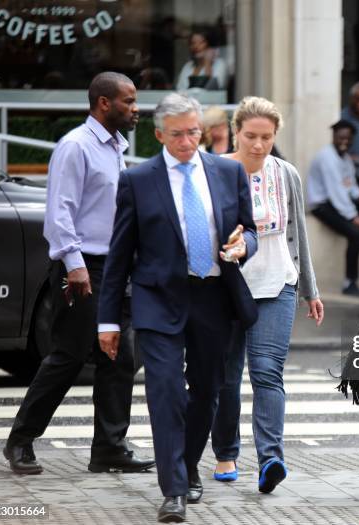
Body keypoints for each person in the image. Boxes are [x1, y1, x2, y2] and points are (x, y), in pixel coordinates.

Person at [97, 92, 257, 523]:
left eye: (193, 132)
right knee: (164, 391)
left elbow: (249, 231)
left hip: (212, 297)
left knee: (206, 390)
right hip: (157, 299)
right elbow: (118, 256)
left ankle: (187, 465)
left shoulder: (229, 171)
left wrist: (243, 247)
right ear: (158, 135)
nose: (187, 141)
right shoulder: (138, 180)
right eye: (177, 135)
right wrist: (108, 320)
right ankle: (174, 489)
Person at [3, 72, 155, 476]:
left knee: (121, 358)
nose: (135, 108)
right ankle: (20, 439)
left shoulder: (116, 148)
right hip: (85, 268)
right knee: (68, 358)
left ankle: (109, 448)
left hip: (116, 267)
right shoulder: (75, 147)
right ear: (104, 103)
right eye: (128, 101)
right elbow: (59, 214)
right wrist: (75, 267)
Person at [211, 96, 324, 494]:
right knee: (225, 378)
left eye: (267, 137)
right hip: (226, 289)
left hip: (278, 284)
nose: (258, 145)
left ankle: (270, 459)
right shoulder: (217, 171)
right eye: (250, 136)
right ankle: (225, 452)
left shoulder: (286, 173)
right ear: (235, 132)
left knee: (266, 372)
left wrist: (309, 288)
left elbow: (298, 235)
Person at [307, 119, 359, 296]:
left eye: (348, 139)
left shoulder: (345, 158)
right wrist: (352, 217)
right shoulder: (327, 157)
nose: (345, 142)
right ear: (334, 136)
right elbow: (336, 192)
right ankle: (349, 283)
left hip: (334, 203)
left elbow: (348, 185)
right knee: (357, 235)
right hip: (321, 205)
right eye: (341, 137)